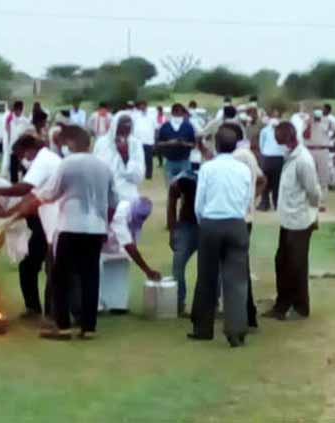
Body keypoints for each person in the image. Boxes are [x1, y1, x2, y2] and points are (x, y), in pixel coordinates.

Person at [0, 125, 116, 339]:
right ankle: (88, 327)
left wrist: (23, 207)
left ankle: (62, 326)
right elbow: (113, 202)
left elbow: (49, 193)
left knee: (61, 276)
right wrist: (105, 224)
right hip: (96, 228)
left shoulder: (67, 164)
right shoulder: (103, 167)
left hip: (71, 226)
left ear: (71, 143)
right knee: (90, 277)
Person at [0, 135, 61, 319]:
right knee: (29, 266)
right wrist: (7, 214)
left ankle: (53, 314)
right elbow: (29, 198)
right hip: (43, 224)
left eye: (20, 155)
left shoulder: (44, 160)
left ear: (28, 149)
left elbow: (24, 189)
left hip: (53, 222)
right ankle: (35, 308)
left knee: (52, 268)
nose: (21, 160)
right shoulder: (44, 161)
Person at [189, 125, 252, 348]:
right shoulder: (244, 169)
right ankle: (236, 331)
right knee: (236, 280)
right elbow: (247, 199)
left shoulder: (208, 168)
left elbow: (199, 202)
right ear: (236, 146)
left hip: (210, 223)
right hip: (236, 223)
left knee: (206, 277)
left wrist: (204, 222)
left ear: (216, 145)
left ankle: (202, 328)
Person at [263, 122, 321, 321]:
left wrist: (312, 213)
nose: (278, 144)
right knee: (283, 262)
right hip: (288, 219)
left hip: (300, 220)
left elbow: (313, 191)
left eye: (280, 140)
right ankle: (283, 304)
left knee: (295, 265)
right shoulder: (289, 156)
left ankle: (299, 307)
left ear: (289, 139)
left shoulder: (303, 160)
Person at [229, 123, 267, 329]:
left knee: (238, 268)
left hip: (238, 219)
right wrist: (252, 199)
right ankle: (245, 313)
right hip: (245, 218)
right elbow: (262, 179)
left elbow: (261, 180)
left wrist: (248, 201)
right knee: (240, 267)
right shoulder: (247, 155)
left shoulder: (239, 157)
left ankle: (246, 315)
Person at [99, 197, 161, 313]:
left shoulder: (137, 214)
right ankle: (97, 304)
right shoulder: (120, 214)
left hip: (113, 243)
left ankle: (117, 303)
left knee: (124, 259)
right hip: (98, 241)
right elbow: (129, 246)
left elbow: (133, 240)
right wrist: (147, 270)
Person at [167, 169, 199, 317]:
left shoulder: (206, 181)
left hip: (206, 224)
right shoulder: (177, 185)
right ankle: (178, 303)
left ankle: (212, 303)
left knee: (211, 266)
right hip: (187, 225)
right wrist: (173, 231)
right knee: (178, 265)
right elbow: (171, 204)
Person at [95, 112, 145, 201]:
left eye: (127, 131)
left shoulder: (135, 144)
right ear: (114, 127)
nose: (123, 135)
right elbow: (95, 170)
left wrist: (125, 155)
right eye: (121, 131)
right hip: (104, 198)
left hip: (127, 198)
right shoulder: (101, 143)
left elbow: (138, 177)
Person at [303, 109, 335, 211]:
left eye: (318, 116)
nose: (317, 118)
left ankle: (321, 203)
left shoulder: (327, 123)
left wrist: (331, 139)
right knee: (310, 175)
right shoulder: (308, 123)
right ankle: (310, 201)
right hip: (311, 149)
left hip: (323, 150)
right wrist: (309, 125)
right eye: (315, 116)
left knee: (323, 176)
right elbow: (305, 135)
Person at [156, 103, 196, 183]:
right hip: (170, 161)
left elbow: (193, 144)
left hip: (184, 161)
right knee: (171, 189)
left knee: (186, 188)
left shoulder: (188, 126)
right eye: (177, 113)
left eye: (181, 113)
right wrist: (169, 143)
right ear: (173, 113)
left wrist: (184, 144)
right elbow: (159, 143)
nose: (179, 115)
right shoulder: (165, 126)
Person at [258, 116, 285, 211]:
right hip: (278, 158)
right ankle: (276, 204)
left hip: (267, 158)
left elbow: (261, 145)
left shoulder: (264, 131)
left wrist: (264, 153)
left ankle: (265, 204)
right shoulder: (281, 131)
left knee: (266, 181)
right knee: (276, 182)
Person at [3, 101, 33, 183]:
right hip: (13, 145)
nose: (19, 112)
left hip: (22, 146)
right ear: (15, 110)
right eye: (18, 110)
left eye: (20, 110)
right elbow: (7, 129)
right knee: (14, 165)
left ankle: (25, 180)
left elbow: (30, 129)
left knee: (24, 164)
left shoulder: (24, 120)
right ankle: (14, 182)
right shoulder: (10, 118)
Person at [133, 100, 158, 180]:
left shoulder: (152, 115)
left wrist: (154, 141)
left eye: (144, 105)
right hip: (138, 141)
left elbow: (156, 128)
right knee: (138, 159)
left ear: (146, 106)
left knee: (148, 159)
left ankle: (148, 174)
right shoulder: (135, 115)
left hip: (149, 141)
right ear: (139, 106)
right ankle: (138, 173)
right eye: (141, 105)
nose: (142, 107)